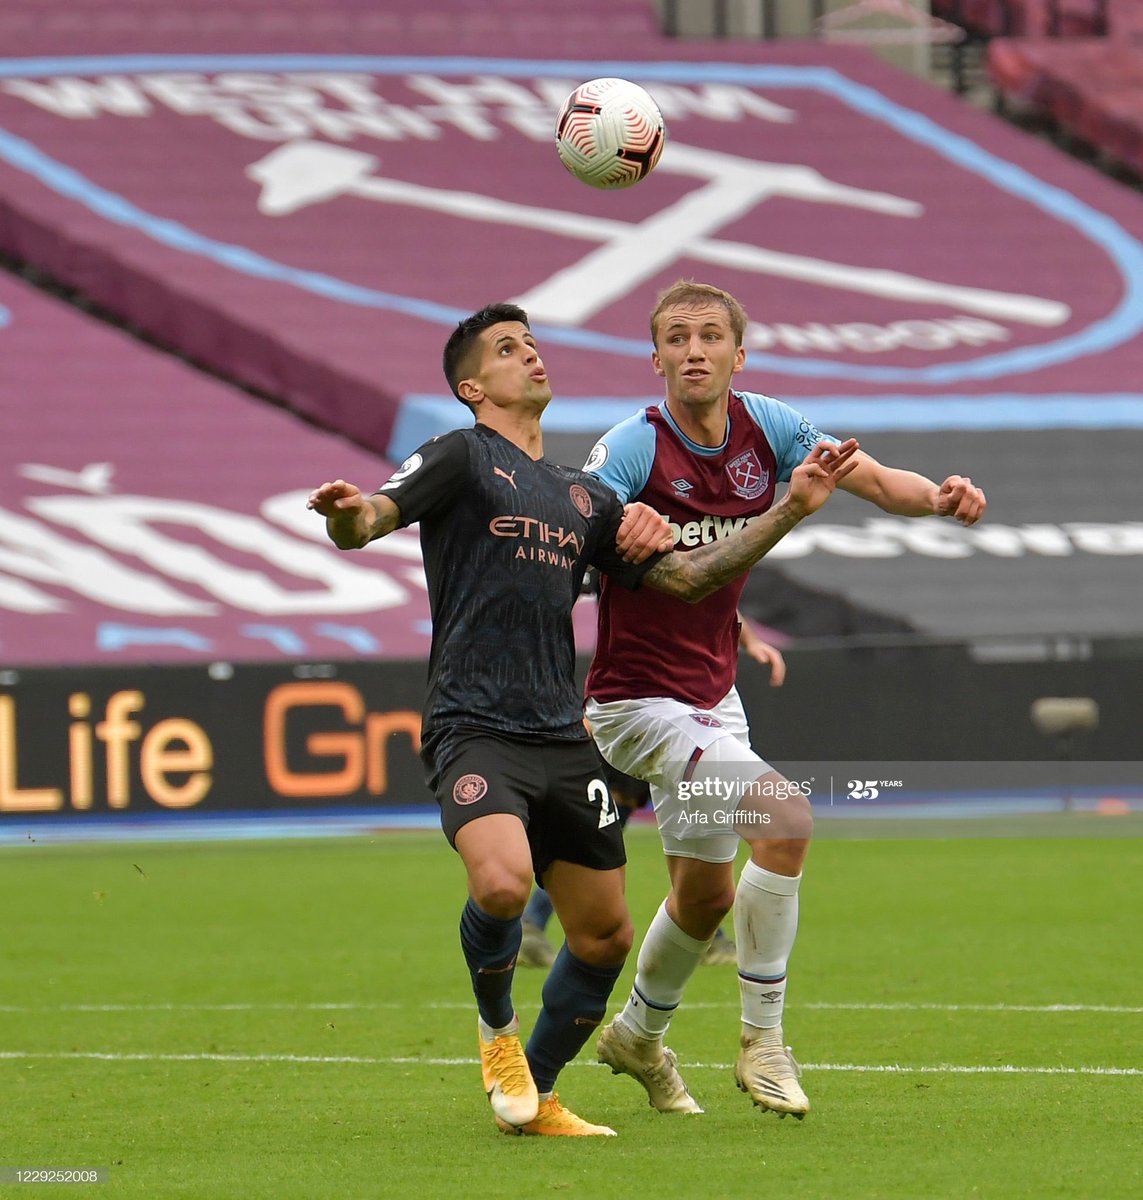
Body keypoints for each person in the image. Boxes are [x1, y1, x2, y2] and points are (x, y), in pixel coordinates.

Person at [307, 302, 858, 1138]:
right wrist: (349, 515)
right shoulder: (460, 454)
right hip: (474, 723)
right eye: (505, 350)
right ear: (470, 385)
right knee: (499, 883)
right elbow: (372, 518)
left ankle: (540, 1089)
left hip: (564, 736)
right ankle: (497, 1039)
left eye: (531, 343)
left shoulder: (583, 496)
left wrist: (783, 511)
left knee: (604, 937)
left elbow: (686, 580)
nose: (528, 356)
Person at [583, 280, 987, 1119]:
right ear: (652, 355)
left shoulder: (767, 426)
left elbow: (873, 480)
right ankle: (762, 1042)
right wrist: (613, 527)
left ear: (739, 351)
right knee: (787, 816)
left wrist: (940, 499)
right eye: (675, 338)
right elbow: (582, 521)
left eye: (708, 336)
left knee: (703, 896)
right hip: (635, 702)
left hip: (711, 694)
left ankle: (634, 1036)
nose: (692, 350)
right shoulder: (628, 448)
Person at [519, 614, 786, 970]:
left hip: (689, 712)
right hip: (639, 705)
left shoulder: (690, 572)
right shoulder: (626, 565)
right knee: (606, 829)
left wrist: (749, 640)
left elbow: (717, 599)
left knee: (693, 827)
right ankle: (530, 925)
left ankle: (706, 935)